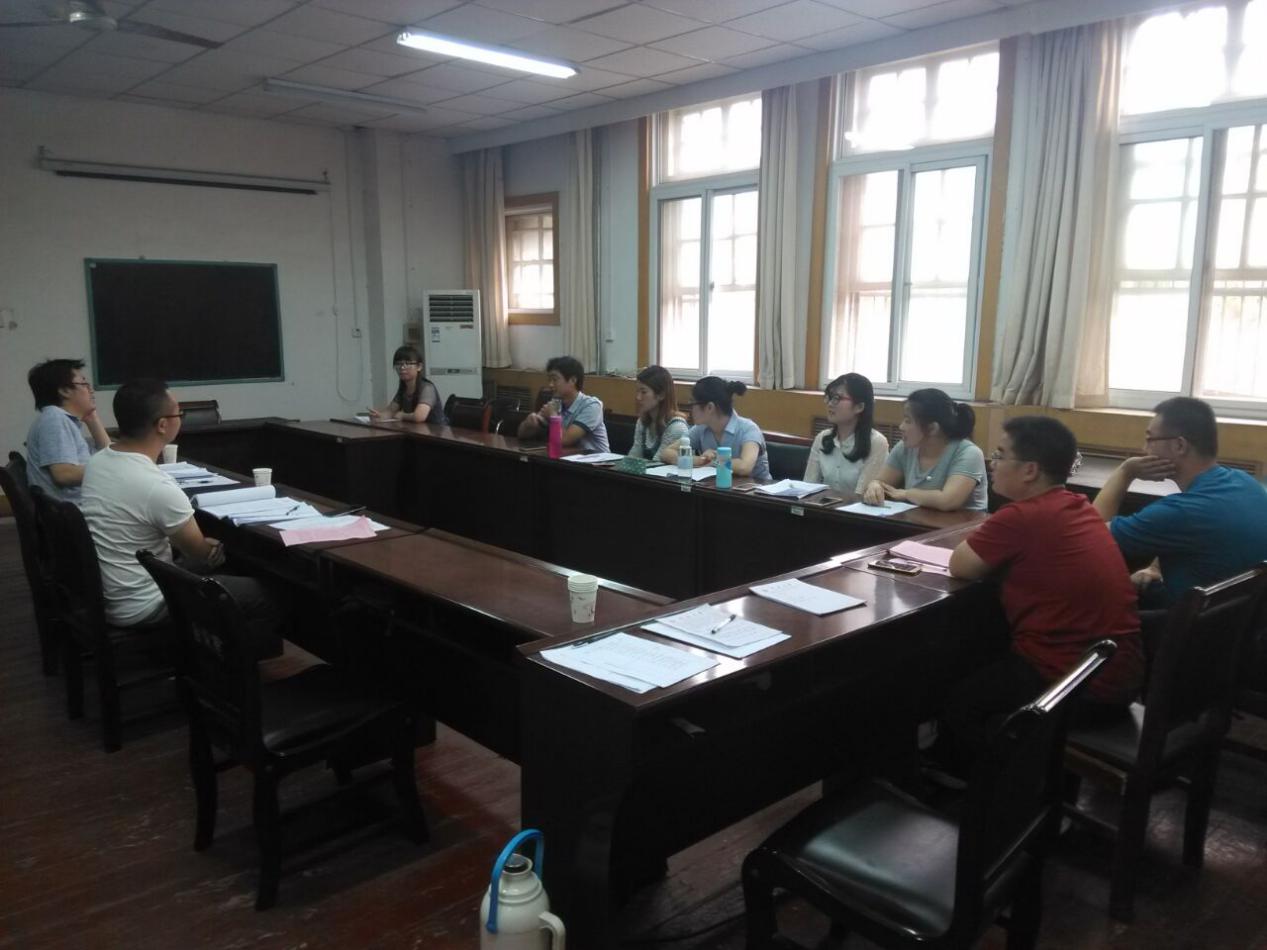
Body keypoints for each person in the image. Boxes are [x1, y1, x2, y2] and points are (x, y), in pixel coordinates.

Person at [941, 416, 1144, 767]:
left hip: (1076, 686)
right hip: (1115, 674)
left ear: (1030, 470)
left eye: (1000, 455)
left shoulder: (1021, 516)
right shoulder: (1077, 504)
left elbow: (961, 565)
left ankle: (980, 787)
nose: (992, 463)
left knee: (957, 696)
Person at [80, 379, 283, 658]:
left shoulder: (98, 461)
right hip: (146, 602)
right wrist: (212, 547)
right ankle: (224, 668)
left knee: (226, 569)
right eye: (179, 413)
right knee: (266, 594)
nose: (180, 419)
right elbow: (200, 553)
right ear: (163, 425)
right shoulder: (156, 486)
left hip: (113, 592)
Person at [1093, 396, 1267, 608]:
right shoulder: (1245, 482)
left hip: (1185, 624)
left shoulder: (1181, 512)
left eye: (1150, 439)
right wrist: (1156, 567)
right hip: (1237, 619)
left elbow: (1087, 537)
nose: (1144, 449)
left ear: (1179, 445)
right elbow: (1189, 533)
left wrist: (1124, 472)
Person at [862, 388, 987, 511]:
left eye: (908, 421)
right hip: (916, 518)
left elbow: (948, 500)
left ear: (933, 428)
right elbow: (883, 482)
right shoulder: (904, 447)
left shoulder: (969, 453)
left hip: (964, 522)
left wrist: (906, 494)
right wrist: (875, 485)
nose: (901, 426)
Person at [24, 358, 110, 504]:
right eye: (84, 384)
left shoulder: (62, 419)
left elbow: (108, 454)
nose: (91, 390)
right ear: (65, 391)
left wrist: (92, 418)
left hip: (82, 505)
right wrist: (111, 469)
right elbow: (64, 474)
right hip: (75, 511)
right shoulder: (54, 419)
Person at [663, 377, 770, 481]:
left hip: (756, 489)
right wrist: (700, 460)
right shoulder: (701, 428)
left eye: (692, 404)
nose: (690, 410)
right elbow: (667, 453)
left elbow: (744, 467)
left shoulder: (748, 429)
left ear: (710, 407)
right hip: (716, 487)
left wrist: (714, 460)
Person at [803, 373, 888, 495]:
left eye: (837, 398)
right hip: (822, 505)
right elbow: (808, 487)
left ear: (859, 407)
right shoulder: (822, 438)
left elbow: (861, 495)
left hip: (856, 506)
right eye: (829, 397)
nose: (830, 403)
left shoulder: (877, 443)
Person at [517, 356, 610, 452]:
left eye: (555, 379)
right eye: (549, 380)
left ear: (573, 380)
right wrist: (528, 424)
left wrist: (553, 415)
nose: (550, 385)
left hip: (598, 460)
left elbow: (564, 440)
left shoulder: (592, 406)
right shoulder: (555, 403)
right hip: (568, 457)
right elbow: (521, 435)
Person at [369, 345, 445, 424]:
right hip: (416, 429)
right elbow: (391, 411)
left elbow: (419, 416)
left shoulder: (427, 388)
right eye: (398, 364)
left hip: (436, 430)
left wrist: (402, 415)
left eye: (408, 364)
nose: (402, 368)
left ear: (419, 367)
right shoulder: (404, 388)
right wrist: (379, 416)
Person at [628, 365, 688, 462]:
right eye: (637, 391)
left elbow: (657, 462)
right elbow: (633, 458)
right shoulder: (642, 422)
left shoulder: (677, 427)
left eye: (643, 392)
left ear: (661, 395)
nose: (638, 397)